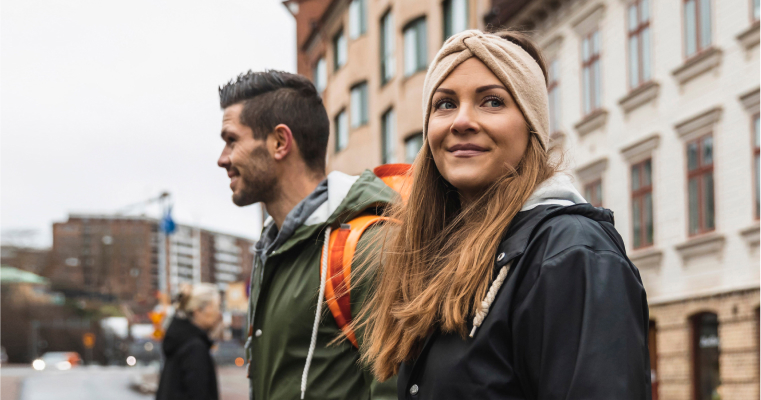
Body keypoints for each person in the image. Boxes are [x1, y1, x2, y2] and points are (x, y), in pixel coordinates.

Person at [360, 29, 652, 399]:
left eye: (492, 101)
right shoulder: (440, 260)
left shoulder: (572, 254)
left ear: (531, 125)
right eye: (445, 104)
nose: (460, 121)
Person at [217, 70, 397, 400]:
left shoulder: (368, 247)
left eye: (232, 140)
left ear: (280, 142)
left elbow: (394, 391)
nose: (222, 159)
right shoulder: (270, 251)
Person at [156, 283, 222, 400]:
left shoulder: (180, 340)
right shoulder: (195, 348)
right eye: (216, 307)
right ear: (198, 311)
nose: (219, 314)